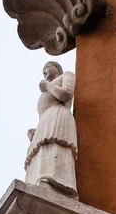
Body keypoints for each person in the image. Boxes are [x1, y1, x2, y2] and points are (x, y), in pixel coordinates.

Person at [25, 61, 78, 198]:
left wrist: (48, 86)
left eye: (47, 67)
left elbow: (66, 94)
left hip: (58, 116)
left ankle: (57, 184)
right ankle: (39, 181)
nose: (44, 70)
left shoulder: (66, 75)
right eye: (43, 69)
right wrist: (35, 131)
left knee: (56, 146)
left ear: (57, 68)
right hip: (45, 122)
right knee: (42, 151)